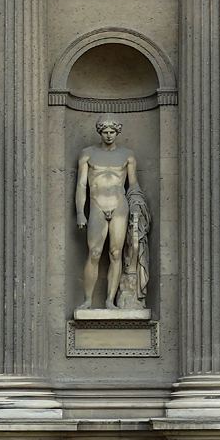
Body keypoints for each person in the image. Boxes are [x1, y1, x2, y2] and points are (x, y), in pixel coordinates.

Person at [76, 117, 140, 310]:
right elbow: (81, 184)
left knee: (116, 253)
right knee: (94, 253)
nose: (109, 135)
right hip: (97, 205)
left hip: (119, 205)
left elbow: (133, 183)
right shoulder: (88, 154)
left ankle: (110, 301)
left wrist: (138, 203)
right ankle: (88, 299)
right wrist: (80, 212)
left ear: (117, 132)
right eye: (105, 132)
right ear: (99, 132)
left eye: (112, 131)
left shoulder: (127, 155)